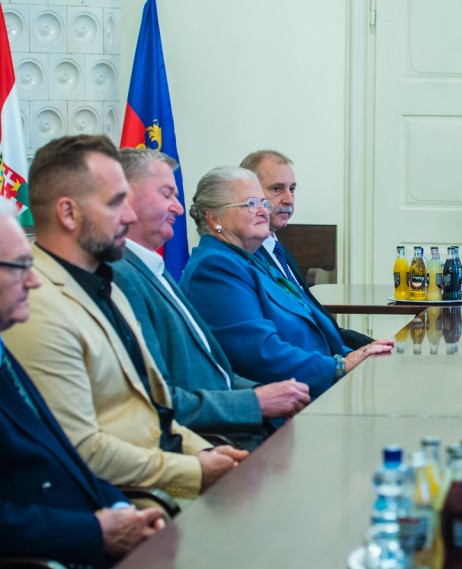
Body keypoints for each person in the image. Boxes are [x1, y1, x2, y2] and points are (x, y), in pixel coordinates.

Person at [4, 136, 246, 500]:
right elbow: (81, 449)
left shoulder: (107, 284)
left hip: (169, 474)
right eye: (116, 202)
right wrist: (196, 470)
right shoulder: (34, 302)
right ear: (68, 213)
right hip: (132, 499)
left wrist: (210, 454)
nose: (130, 216)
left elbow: (155, 413)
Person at [0, 202, 165, 568]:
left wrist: (120, 508)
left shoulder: (3, 351)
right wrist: (96, 531)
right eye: (20, 266)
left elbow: (63, 457)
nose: (34, 280)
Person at [112, 148, 311, 450]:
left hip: (236, 425)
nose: (179, 208)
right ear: (125, 200)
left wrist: (269, 395)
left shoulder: (154, 268)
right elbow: (157, 400)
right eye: (166, 194)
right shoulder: (124, 276)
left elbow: (215, 372)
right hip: (211, 442)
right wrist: (256, 401)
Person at [179, 167, 393, 398]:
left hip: (318, 384)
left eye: (263, 202)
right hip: (287, 401)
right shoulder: (214, 269)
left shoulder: (253, 259)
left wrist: (359, 355)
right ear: (214, 218)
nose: (263, 211)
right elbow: (261, 354)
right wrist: (341, 366)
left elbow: (317, 329)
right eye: (251, 204)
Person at [240, 149, 373, 349]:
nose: (289, 199)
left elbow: (323, 325)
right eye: (277, 189)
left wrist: (372, 345)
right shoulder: (249, 255)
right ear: (250, 195)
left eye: (292, 189)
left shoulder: (279, 251)